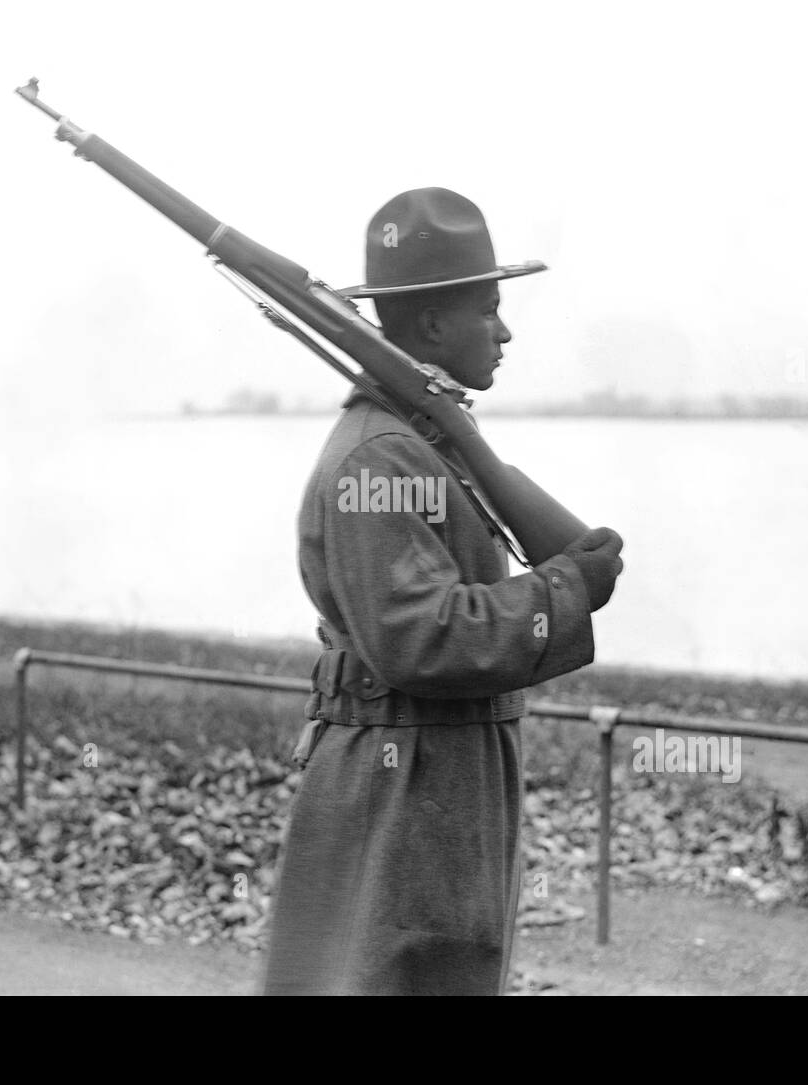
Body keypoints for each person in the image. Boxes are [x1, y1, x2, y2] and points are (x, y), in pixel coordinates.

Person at [261, 188, 624, 995]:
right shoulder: (379, 460)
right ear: (429, 327)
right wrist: (564, 588)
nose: (504, 330)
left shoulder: (421, 441)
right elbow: (421, 636)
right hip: (404, 783)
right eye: (487, 309)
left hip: (437, 775)